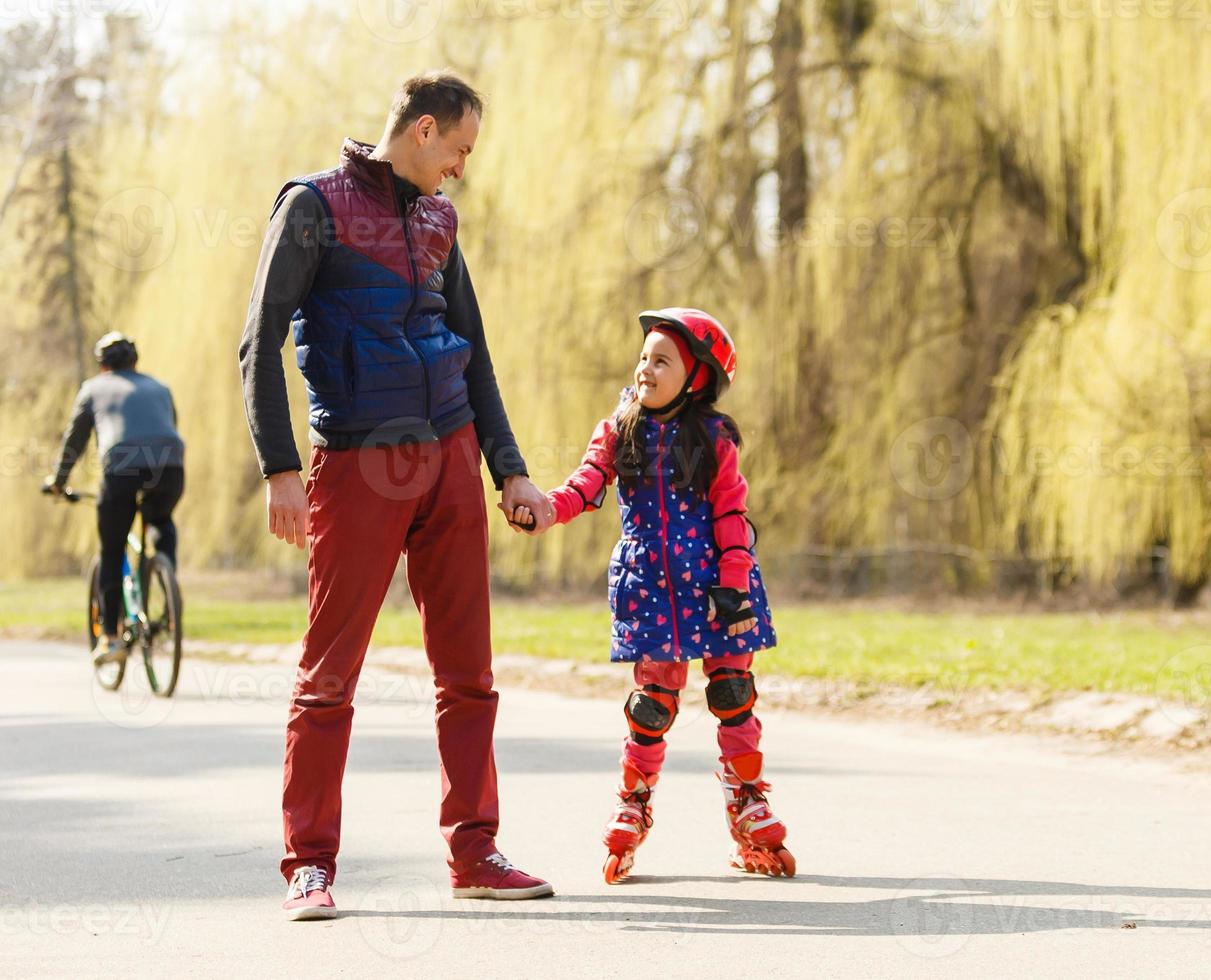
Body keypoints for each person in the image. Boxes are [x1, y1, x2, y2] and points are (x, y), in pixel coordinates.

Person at [237, 70, 554, 921]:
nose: (460, 168)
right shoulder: (314, 207)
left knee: (469, 673)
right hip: (356, 464)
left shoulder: (440, 218)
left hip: (449, 452)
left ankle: (476, 848)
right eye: (457, 149)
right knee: (329, 674)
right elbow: (258, 341)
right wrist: (279, 468)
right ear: (421, 131)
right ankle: (309, 862)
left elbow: (473, 349)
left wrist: (507, 467)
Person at [518, 307, 793, 883]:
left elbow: (731, 513)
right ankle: (634, 800)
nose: (645, 368)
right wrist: (546, 510)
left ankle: (746, 797)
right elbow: (586, 485)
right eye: (643, 357)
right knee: (652, 705)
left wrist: (736, 585)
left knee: (732, 693)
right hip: (651, 589)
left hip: (719, 585)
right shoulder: (620, 428)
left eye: (661, 360)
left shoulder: (714, 438)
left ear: (696, 378)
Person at [43, 332, 185, 667]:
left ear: (103, 365)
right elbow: (169, 427)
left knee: (112, 546)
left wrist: (58, 481)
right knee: (161, 520)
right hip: (171, 466)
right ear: (136, 362)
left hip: (121, 467)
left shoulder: (93, 388)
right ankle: (167, 586)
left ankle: (108, 636)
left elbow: (75, 440)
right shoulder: (160, 387)